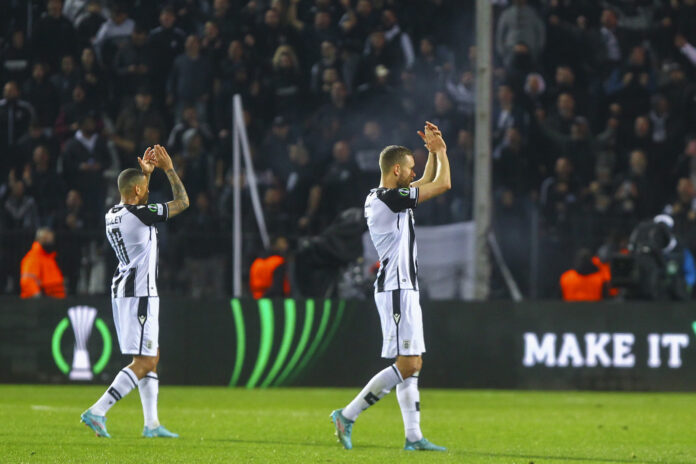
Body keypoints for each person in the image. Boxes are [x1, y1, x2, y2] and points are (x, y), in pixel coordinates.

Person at [331, 122, 450, 451]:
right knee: (407, 364)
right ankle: (347, 415)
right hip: (396, 288)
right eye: (410, 168)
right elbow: (442, 184)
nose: (414, 173)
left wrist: (431, 152)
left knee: (413, 365)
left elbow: (428, 181)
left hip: (404, 287)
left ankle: (414, 437)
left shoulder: (388, 197)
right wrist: (441, 151)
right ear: (396, 170)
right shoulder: (388, 198)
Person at [80, 145, 189, 438]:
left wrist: (146, 176)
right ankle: (98, 410)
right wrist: (168, 169)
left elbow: (139, 203)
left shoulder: (113, 213)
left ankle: (151, 424)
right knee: (145, 361)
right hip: (140, 293)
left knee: (151, 354)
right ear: (138, 190)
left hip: (126, 291)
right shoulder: (139, 214)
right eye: (144, 188)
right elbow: (183, 202)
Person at [20, 228, 65, 299]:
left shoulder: (49, 258)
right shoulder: (34, 258)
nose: (50, 242)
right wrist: (38, 298)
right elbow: (28, 281)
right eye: (46, 239)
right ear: (40, 239)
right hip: (45, 300)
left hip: (55, 299)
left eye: (51, 240)